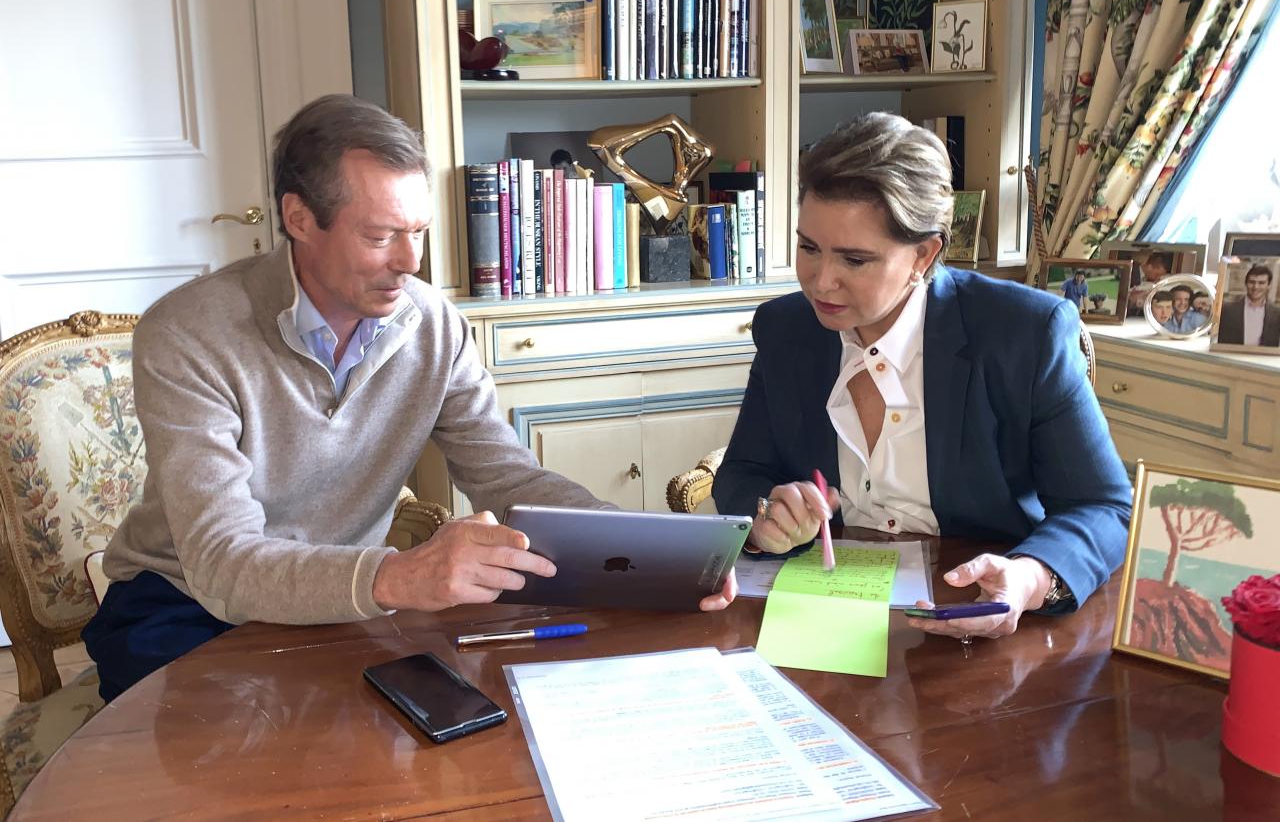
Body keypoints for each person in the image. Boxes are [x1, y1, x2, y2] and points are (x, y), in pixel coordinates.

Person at [84, 95, 735, 702]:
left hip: (344, 589)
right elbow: (224, 564)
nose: (411, 262)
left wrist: (650, 557)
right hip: (181, 601)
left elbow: (506, 476)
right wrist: (400, 576)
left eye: (418, 231)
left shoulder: (434, 324)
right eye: (380, 236)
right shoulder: (189, 333)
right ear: (298, 218)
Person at [713, 112, 1131, 641]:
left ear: (924, 254)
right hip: (822, 616)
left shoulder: (1023, 332)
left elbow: (1102, 506)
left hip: (973, 612)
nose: (821, 281)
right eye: (809, 247)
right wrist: (767, 514)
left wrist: (1029, 577)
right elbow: (744, 470)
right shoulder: (785, 329)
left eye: (855, 259)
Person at [1217, 263, 1280, 346]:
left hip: (1264, 358)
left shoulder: (1277, 313)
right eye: (1252, 282)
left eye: (1261, 283)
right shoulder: (1227, 310)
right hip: (1232, 356)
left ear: (1269, 285)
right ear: (1246, 283)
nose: (1256, 287)